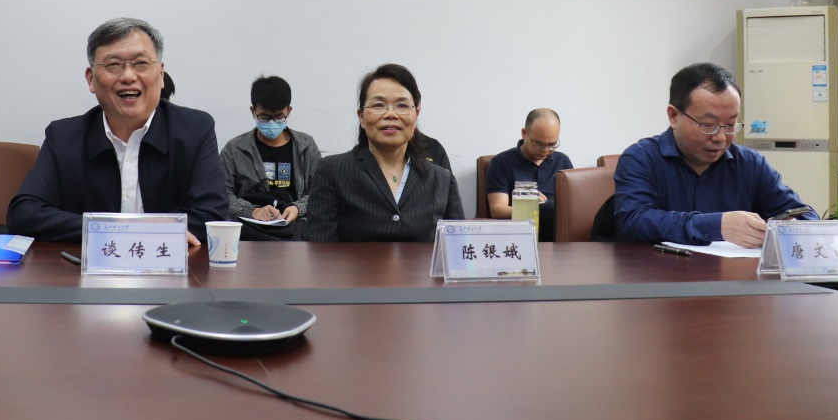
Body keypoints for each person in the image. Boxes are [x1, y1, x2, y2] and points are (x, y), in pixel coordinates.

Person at [7, 17, 228, 243]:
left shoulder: (195, 129)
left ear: (161, 75)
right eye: (113, 65)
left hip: (167, 265)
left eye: (141, 63)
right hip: (84, 264)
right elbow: (24, 214)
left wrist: (123, 230)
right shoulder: (63, 136)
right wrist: (120, 229)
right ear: (91, 79)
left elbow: (212, 215)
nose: (128, 76)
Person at [615, 62, 817, 246]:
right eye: (708, 125)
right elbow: (633, 221)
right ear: (674, 116)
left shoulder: (750, 164)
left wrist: (792, 228)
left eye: (730, 125)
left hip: (735, 273)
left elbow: (804, 214)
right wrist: (716, 225)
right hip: (661, 272)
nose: (721, 137)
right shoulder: (641, 158)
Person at [304, 64, 463, 241]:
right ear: (361, 117)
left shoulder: (442, 180)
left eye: (402, 105)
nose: (390, 114)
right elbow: (320, 248)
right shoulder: (332, 171)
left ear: (416, 114)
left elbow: (457, 249)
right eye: (378, 105)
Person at [219, 75, 322, 239]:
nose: (272, 123)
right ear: (253, 111)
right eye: (264, 117)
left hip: (296, 232)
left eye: (279, 117)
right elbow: (222, 194)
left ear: (289, 111)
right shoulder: (234, 150)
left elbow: (320, 192)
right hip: (251, 233)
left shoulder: (306, 147)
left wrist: (297, 208)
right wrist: (253, 211)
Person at [485, 108, 574, 241]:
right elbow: (497, 210)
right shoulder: (501, 162)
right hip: (520, 233)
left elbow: (571, 205)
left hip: (558, 235)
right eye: (539, 144)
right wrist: (529, 206)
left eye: (552, 144)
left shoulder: (563, 161)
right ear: (524, 133)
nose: (546, 150)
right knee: (549, 208)